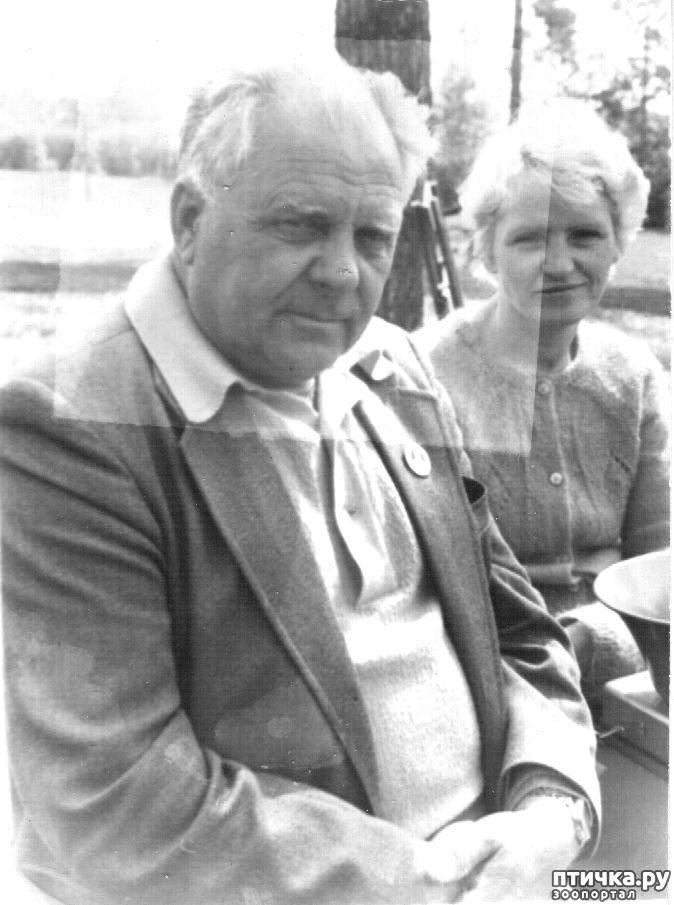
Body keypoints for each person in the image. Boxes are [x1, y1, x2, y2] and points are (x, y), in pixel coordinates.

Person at [1, 58, 600, 905]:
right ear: (190, 221)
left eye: (373, 237)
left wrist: (551, 808)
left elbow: (519, 629)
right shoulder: (71, 420)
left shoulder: (393, 365)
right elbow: (115, 798)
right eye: (300, 225)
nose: (344, 273)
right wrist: (427, 884)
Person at [422, 101, 670, 709]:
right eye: (529, 238)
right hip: (479, 683)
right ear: (487, 250)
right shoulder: (425, 375)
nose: (560, 264)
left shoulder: (633, 375)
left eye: (585, 235)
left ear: (618, 243)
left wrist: (592, 641)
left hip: (621, 675)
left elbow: (660, 573)